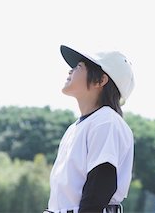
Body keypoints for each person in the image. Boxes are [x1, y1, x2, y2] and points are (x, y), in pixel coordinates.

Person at [44, 45, 136, 213]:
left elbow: (100, 184)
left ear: (101, 80)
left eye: (79, 67)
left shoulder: (106, 122)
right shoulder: (78, 126)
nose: (70, 71)